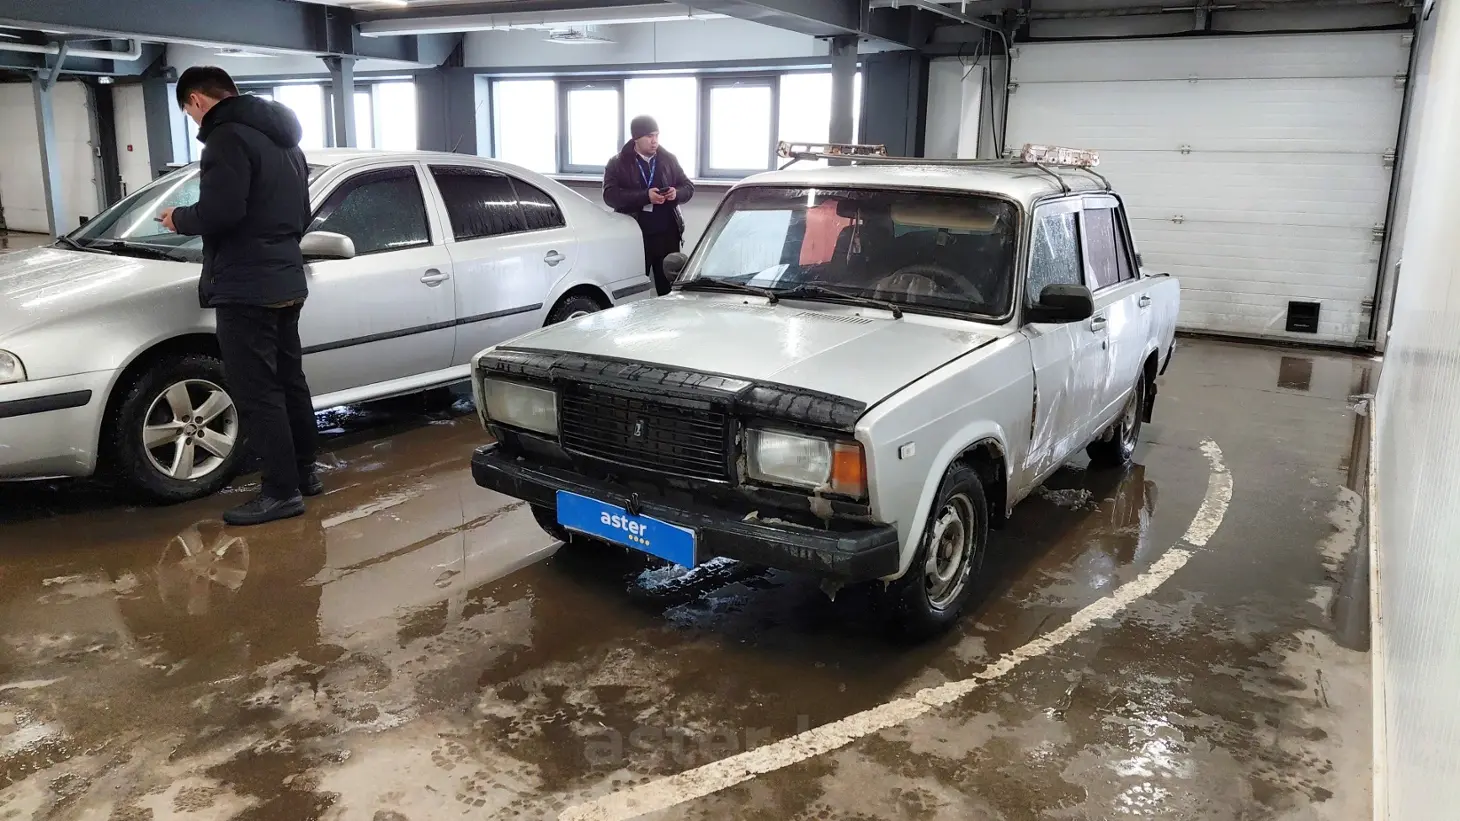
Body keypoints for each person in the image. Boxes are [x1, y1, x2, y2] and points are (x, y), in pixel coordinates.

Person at [159, 66, 320, 527]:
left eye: (189, 112)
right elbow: (302, 215)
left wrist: (178, 218)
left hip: (247, 284)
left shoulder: (226, 138)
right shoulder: (286, 142)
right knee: (289, 380)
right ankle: (304, 472)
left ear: (196, 100)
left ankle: (280, 492)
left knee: (257, 390)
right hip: (285, 278)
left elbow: (222, 211)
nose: (194, 121)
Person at [603, 115, 695, 296]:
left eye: (657, 135)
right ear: (636, 138)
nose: (655, 141)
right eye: (649, 136)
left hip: (667, 234)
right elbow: (610, 196)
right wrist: (645, 196)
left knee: (668, 289)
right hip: (636, 233)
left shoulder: (668, 159)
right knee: (634, 289)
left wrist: (676, 193)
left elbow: (688, 187)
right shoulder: (618, 163)